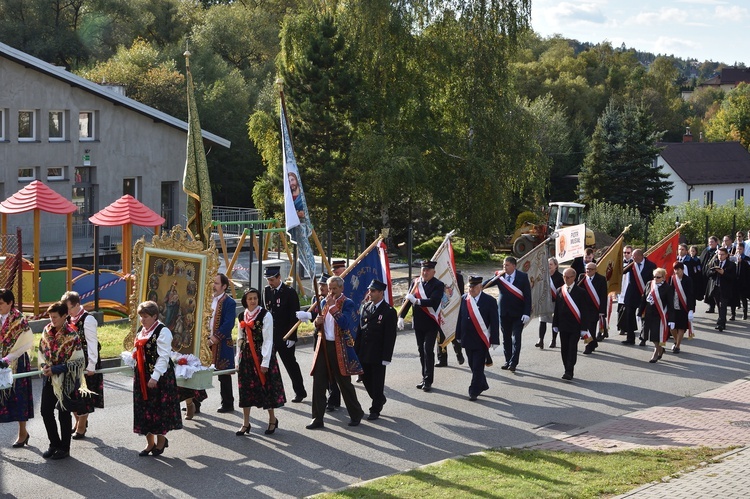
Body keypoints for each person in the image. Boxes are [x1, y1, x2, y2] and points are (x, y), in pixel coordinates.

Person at [307, 276, 364, 429]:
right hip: (323, 345)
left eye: (334, 289)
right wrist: (316, 323)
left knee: (343, 382)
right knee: (318, 382)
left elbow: (345, 323)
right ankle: (317, 418)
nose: (331, 291)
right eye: (329, 288)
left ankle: (356, 413)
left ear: (341, 289)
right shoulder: (324, 302)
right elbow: (320, 325)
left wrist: (333, 308)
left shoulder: (348, 303)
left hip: (340, 347)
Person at [39, 301, 92, 460]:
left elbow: (78, 361)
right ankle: (54, 443)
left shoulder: (72, 335)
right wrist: (44, 367)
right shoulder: (46, 331)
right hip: (49, 379)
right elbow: (41, 351)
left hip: (67, 380)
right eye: (50, 316)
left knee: (64, 412)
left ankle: (65, 448)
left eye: (55, 317)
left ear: (64, 316)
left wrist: (55, 369)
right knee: (45, 411)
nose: (52, 319)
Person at [132, 301, 182, 456]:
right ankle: (149, 443)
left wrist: (154, 377)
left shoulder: (163, 331)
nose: (142, 320)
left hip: (159, 376)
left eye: (145, 317)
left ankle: (161, 441)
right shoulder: (142, 330)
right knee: (144, 408)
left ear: (154, 316)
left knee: (159, 410)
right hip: (141, 374)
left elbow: (163, 357)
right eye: (141, 317)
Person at [235, 288, 285, 436]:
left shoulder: (265, 315)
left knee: (266, 387)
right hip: (246, 355)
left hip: (261, 355)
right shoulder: (241, 315)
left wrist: (265, 361)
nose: (252, 301)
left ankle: (272, 419)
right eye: (250, 298)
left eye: (255, 298)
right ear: (245, 300)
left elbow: (268, 339)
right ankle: (245, 423)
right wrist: (237, 358)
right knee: (245, 389)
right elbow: (240, 338)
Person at [397, 260, 444, 391]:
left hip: (431, 322)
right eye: (423, 269)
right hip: (418, 322)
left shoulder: (438, 285)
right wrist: (401, 316)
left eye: (428, 270)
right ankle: (424, 377)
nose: (425, 272)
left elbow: (433, 301)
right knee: (421, 351)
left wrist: (417, 301)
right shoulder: (415, 282)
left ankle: (428, 380)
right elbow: (407, 300)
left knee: (428, 349)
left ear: (433, 272)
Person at [297, 274, 341, 411]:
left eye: (323, 285)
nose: (321, 288)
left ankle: (334, 399)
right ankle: (328, 398)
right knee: (322, 371)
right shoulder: (316, 298)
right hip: (319, 337)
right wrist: (311, 318)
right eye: (320, 285)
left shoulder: (333, 300)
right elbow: (317, 318)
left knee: (333, 371)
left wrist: (311, 316)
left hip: (332, 339)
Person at [61, 291, 102, 439]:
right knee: (71, 392)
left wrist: (91, 365)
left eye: (70, 308)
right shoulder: (68, 319)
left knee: (83, 395)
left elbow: (92, 344)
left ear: (77, 304)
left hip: (84, 361)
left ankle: (81, 426)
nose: (68, 312)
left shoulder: (88, 320)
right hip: (71, 361)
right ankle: (78, 420)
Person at [354, 279, 397, 419]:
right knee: (366, 379)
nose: (370, 293)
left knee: (377, 381)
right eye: (369, 290)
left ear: (380, 292)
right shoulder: (366, 307)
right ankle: (379, 398)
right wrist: (356, 350)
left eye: (373, 291)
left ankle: (375, 409)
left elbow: (390, 337)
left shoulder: (389, 311)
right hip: (364, 351)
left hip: (378, 353)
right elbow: (360, 331)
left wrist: (386, 357)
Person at [264, 266, 306, 402]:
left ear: (278, 277)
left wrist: (292, 336)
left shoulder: (289, 292)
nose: (270, 282)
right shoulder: (266, 291)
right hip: (271, 336)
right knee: (268, 365)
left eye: (272, 279)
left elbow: (294, 316)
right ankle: (271, 393)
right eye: (268, 279)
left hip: (285, 335)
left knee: (290, 364)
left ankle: (300, 391)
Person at [484, 256, 532, 373]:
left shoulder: (523, 277)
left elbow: (528, 297)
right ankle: (508, 360)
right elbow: (485, 285)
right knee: (506, 338)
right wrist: (496, 276)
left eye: (507, 265)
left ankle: (514, 362)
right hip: (504, 313)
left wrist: (526, 313)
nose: (504, 267)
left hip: (518, 313)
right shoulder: (500, 277)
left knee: (516, 338)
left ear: (514, 266)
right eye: (503, 265)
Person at [455, 276, 499, 400]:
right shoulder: (464, 299)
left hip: (481, 339)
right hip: (467, 337)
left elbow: (494, 322)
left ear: (480, 287)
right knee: (471, 364)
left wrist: (495, 340)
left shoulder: (489, 301)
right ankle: (483, 383)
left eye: (473, 287)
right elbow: (460, 318)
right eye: (469, 286)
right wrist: (458, 335)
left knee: (478, 366)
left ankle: (474, 390)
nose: (471, 289)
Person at [0, 289, 34, 448]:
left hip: (16, 362)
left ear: (10, 303)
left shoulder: (20, 320)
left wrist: (7, 359)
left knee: (18, 396)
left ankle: (22, 432)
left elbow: (26, 343)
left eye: (0, 303)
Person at [552, 268, 590, 380]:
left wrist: (584, 328)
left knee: (572, 348)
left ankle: (569, 370)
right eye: (564, 277)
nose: (566, 279)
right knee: (564, 348)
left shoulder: (581, 292)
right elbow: (557, 310)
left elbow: (584, 311)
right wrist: (555, 324)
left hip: (575, 326)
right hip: (563, 326)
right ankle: (566, 367)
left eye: (568, 277)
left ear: (574, 277)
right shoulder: (560, 290)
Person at [208, 274, 237, 414]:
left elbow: (228, 324)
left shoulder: (229, 302)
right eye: (213, 282)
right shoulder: (207, 299)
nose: (213, 285)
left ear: (224, 286)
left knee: (223, 373)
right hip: (205, 341)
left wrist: (214, 338)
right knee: (196, 370)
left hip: (222, 342)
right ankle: (194, 403)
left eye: (216, 283)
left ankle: (227, 403)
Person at [639, 268, 675, 363]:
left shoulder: (667, 288)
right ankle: (660, 349)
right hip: (649, 313)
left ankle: (656, 352)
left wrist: (671, 319)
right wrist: (639, 313)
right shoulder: (649, 284)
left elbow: (671, 305)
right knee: (649, 334)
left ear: (663, 277)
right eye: (654, 276)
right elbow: (644, 299)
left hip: (659, 315)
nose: (655, 279)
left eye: (658, 277)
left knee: (656, 335)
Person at [621, 249, 656, 346]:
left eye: (634, 256)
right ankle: (630, 338)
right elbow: (621, 272)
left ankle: (643, 338)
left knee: (644, 317)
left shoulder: (651, 265)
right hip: (631, 294)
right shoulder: (631, 264)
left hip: (645, 294)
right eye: (632, 256)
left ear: (641, 256)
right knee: (629, 315)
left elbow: (653, 280)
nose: (633, 257)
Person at [436, 270, 465, 367]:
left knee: (453, 332)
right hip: (440, 309)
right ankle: (442, 359)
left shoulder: (457, 277)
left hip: (453, 309)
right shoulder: (436, 276)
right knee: (440, 334)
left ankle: (459, 353)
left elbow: (460, 294)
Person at [578, 261, 608, 354]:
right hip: (584, 307)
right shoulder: (582, 277)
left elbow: (603, 296)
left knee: (591, 328)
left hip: (595, 308)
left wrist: (602, 311)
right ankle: (593, 343)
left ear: (595, 270)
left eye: (591, 269)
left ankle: (589, 346)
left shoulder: (601, 279)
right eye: (587, 269)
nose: (588, 271)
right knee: (585, 327)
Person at [706, 247, 736, 331]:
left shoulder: (731, 264)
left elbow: (732, 278)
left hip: (725, 288)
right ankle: (722, 319)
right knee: (719, 306)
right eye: (719, 254)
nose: (720, 256)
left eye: (722, 254)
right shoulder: (714, 262)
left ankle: (721, 324)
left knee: (723, 305)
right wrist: (714, 271)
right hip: (715, 287)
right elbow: (707, 273)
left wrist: (723, 273)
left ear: (726, 255)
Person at [537, 258, 564, 349]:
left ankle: (553, 340)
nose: (548, 266)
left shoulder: (560, 277)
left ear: (556, 266)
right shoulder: (543, 276)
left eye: (551, 264)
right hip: (544, 302)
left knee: (554, 322)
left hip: (555, 302)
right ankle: (541, 340)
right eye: (547, 264)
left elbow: (562, 291)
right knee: (542, 321)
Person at [670, 261, 695, 354]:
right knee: (672, 327)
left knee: (681, 327)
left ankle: (677, 346)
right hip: (673, 306)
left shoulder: (688, 280)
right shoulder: (672, 279)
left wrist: (691, 310)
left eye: (678, 269)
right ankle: (676, 340)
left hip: (683, 307)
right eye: (675, 269)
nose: (676, 271)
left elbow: (690, 295)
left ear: (682, 270)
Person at [731, 242, 750, 320]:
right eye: (737, 249)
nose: (739, 250)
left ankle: (745, 313)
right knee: (733, 298)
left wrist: (742, 261)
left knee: (743, 298)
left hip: (743, 282)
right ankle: (733, 314)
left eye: (740, 249)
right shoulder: (733, 258)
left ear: (743, 250)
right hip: (734, 281)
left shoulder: (746, 259)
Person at [700, 236, 719, 310]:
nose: (710, 243)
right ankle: (711, 305)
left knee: (712, 291)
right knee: (707, 291)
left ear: (716, 242)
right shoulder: (706, 250)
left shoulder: (718, 251)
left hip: (713, 274)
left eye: (712, 242)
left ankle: (713, 306)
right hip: (705, 274)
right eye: (709, 242)